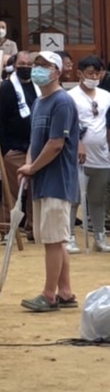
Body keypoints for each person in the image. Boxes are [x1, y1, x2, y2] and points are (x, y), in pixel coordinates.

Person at [18, 51, 81, 311]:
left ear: (57, 71)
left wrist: (33, 167)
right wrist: (29, 165)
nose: (38, 69)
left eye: (44, 65)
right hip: (42, 179)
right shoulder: (38, 103)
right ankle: (65, 291)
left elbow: (56, 144)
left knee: (53, 241)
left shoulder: (62, 102)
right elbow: (37, 141)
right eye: (36, 64)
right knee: (55, 239)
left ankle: (49, 294)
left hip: (58, 181)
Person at [0, 50, 36, 241]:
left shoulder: (38, 87)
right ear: (14, 65)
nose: (26, 67)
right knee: (10, 191)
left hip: (35, 148)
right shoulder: (6, 88)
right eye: (22, 64)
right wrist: (3, 151)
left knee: (34, 192)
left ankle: (32, 229)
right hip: (13, 149)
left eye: (29, 64)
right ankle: (6, 230)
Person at [70, 57, 110, 251]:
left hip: (102, 156)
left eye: (97, 73)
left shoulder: (106, 96)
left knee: (97, 198)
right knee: (73, 198)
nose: (94, 77)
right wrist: (77, 144)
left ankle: (100, 238)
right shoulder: (70, 96)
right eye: (90, 73)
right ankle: (69, 236)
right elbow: (69, 125)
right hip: (78, 157)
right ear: (80, 74)